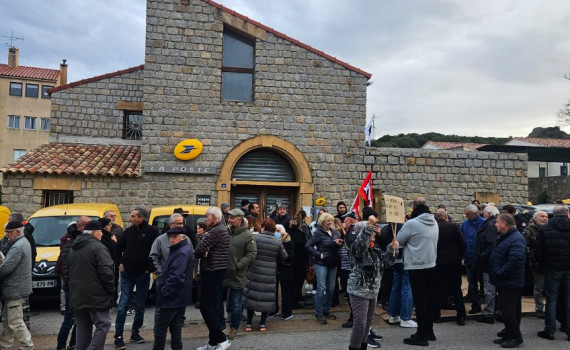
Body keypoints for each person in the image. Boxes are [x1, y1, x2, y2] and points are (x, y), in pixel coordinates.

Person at [392, 198, 439, 346]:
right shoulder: (434, 221)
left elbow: (398, 241)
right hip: (431, 264)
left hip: (416, 266)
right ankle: (429, 331)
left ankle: (421, 334)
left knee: (420, 301)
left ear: (414, 210)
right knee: (428, 299)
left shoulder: (412, 223)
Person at [114, 208, 159, 349]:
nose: (130, 218)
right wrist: (119, 262)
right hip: (127, 273)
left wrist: (150, 268)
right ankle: (118, 336)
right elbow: (118, 247)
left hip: (143, 274)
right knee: (123, 305)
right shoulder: (128, 232)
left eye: (133, 216)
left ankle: (135, 333)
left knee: (140, 305)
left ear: (141, 218)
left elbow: (156, 251)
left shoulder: (152, 232)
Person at [68, 220, 115, 350]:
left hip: (77, 294)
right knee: (104, 324)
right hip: (96, 295)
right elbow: (106, 271)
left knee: (83, 328)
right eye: (100, 232)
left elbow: (67, 271)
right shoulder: (98, 247)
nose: (101, 235)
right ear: (94, 232)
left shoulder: (74, 246)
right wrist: (111, 289)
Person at [152, 226, 194, 350]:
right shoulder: (182, 249)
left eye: (174, 237)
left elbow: (176, 276)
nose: (171, 239)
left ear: (183, 237)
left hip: (171, 298)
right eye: (170, 237)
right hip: (179, 296)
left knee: (161, 328)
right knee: (175, 327)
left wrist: (165, 291)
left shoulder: (181, 252)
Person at [195, 207, 231, 350]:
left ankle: (222, 339)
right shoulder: (219, 229)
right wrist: (206, 250)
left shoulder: (216, 231)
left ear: (214, 218)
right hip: (215, 270)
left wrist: (205, 250)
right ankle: (212, 343)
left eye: (207, 217)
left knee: (205, 306)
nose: (205, 219)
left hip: (213, 271)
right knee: (211, 306)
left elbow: (198, 249)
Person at [347, 216, 385, 350]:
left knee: (368, 323)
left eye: (374, 231)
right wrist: (368, 226)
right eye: (371, 231)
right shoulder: (358, 248)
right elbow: (361, 244)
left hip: (372, 291)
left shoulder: (375, 250)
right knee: (360, 324)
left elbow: (386, 263)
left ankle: (363, 346)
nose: (374, 233)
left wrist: (393, 249)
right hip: (358, 290)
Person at [243, 219, 287, 332]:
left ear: (263, 227)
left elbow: (248, 253)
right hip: (269, 273)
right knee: (266, 298)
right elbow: (284, 257)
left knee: (252, 296)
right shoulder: (277, 241)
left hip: (254, 271)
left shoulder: (255, 238)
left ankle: (248, 324)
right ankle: (262, 324)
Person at [489, 214, 526, 348]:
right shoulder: (508, 237)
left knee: (508, 311)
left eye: (497, 223)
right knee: (510, 310)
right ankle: (508, 334)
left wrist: (500, 273)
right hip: (506, 281)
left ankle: (516, 337)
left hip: (510, 282)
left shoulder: (516, 239)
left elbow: (515, 261)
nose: (495, 225)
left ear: (504, 224)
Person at [535, 205, 570, 341]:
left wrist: (544, 266)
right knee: (568, 300)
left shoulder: (544, 229)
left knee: (551, 299)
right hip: (568, 268)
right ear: (566, 213)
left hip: (552, 268)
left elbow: (538, 251)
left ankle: (549, 330)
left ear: (552, 215)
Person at [56, 216, 90, 350]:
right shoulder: (72, 242)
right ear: (80, 227)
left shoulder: (77, 240)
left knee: (80, 317)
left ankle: (74, 342)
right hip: (73, 286)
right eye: (87, 226)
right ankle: (61, 345)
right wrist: (72, 284)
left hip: (78, 285)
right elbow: (66, 268)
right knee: (70, 318)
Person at [0, 221, 34, 350]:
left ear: (17, 231)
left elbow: (6, 268)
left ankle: (27, 346)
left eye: (9, 232)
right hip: (15, 288)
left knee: (15, 321)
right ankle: (5, 345)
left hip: (15, 289)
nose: (7, 235)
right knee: (8, 321)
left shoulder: (18, 246)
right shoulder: (22, 243)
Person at [305, 212, 343, 325]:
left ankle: (326, 310)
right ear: (322, 222)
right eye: (327, 220)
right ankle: (318, 313)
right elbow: (307, 246)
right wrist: (319, 254)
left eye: (331, 220)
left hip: (333, 263)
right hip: (321, 263)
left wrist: (339, 243)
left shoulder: (335, 232)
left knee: (331, 288)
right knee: (321, 288)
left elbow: (337, 245)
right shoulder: (318, 233)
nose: (330, 222)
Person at [225, 209, 257, 340]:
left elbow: (252, 254)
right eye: (229, 217)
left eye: (232, 218)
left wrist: (239, 265)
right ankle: (221, 323)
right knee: (221, 300)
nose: (229, 220)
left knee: (236, 303)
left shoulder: (248, 235)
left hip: (238, 274)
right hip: (223, 273)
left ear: (239, 219)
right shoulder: (227, 232)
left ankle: (234, 328)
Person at [434, 208, 466, 326]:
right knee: (456, 289)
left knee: (437, 288)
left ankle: (436, 315)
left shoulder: (434, 227)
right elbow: (462, 243)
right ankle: (461, 315)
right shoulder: (453, 227)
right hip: (453, 261)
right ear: (446, 216)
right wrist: (459, 256)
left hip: (438, 261)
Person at [474, 205, 500, 324]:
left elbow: (491, 244)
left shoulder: (490, 226)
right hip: (492, 262)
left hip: (488, 263)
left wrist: (482, 255)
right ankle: (495, 311)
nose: (482, 215)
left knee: (489, 289)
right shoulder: (493, 224)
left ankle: (489, 313)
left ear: (488, 214)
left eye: (483, 213)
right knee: (493, 289)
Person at [522, 210, 549, 318]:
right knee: (539, 287)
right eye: (542, 216)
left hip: (550, 262)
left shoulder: (549, 229)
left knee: (550, 288)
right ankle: (539, 309)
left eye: (546, 216)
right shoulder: (529, 230)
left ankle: (550, 309)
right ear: (535, 218)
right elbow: (525, 245)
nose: (545, 218)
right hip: (537, 263)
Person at [460, 204, 486, 314]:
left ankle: (489, 306)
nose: (466, 216)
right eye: (465, 214)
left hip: (481, 260)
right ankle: (476, 305)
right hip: (469, 259)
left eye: (468, 214)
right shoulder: (464, 224)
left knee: (485, 284)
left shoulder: (485, 223)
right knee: (472, 284)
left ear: (476, 214)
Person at [288, 212, 309, 307]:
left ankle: (294, 299)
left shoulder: (287, 234)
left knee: (292, 282)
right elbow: (305, 248)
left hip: (290, 261)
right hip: (300, 261)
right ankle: (295, 301)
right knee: (298, 282)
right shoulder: (300, 235)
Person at [276, 225, 295, 320]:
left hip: (285, 268)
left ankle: (287, 312)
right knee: (273, 291)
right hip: (275, 268)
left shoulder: (288, 241)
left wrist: (283, 261)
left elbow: (291, 256)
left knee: (286, 291)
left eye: (278, 230)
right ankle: (273, 310)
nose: (276, 232)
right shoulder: (273, 240)